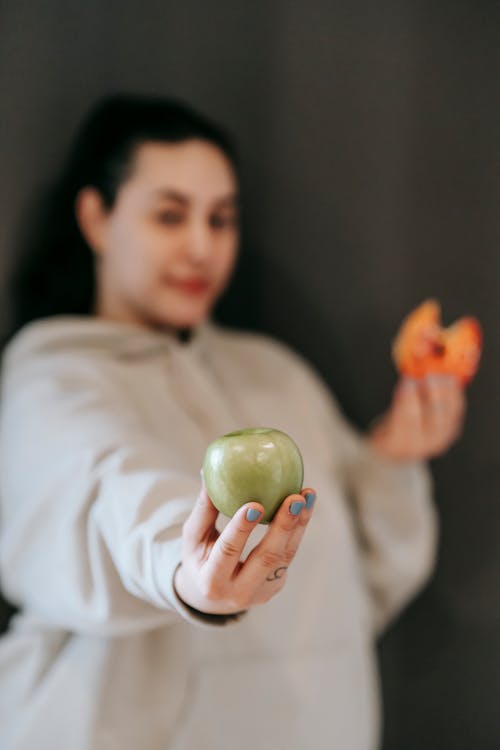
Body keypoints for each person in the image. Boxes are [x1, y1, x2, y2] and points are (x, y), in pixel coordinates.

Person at [0, 94, 466, 750]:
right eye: (169, 215)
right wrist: (184, 569)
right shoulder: (52, 379)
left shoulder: (275, 373)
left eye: (220, 219)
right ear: (96, 218)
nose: (200, 247)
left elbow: (361, 584)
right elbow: (105, 487)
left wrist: (390, 460)